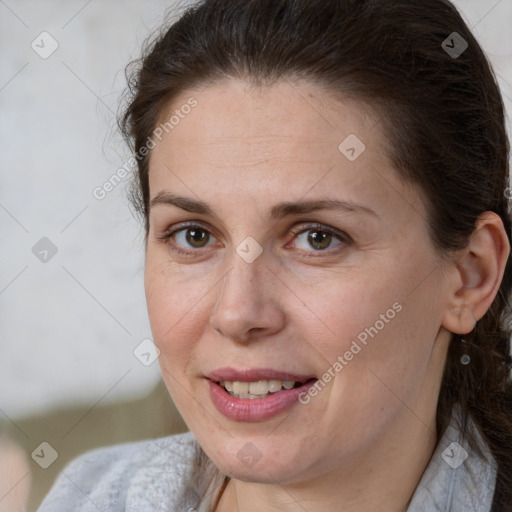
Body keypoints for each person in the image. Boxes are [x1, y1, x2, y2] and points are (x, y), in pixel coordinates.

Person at [36, 0, 512, 510]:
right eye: (194, 236)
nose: (237, 314)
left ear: (469, 275)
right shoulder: (94, 495)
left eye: (317, 238)